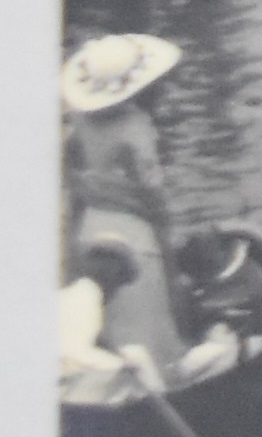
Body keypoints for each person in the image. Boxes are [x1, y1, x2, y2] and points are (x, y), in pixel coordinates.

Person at [59, 34, 191, 385]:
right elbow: (153, 194)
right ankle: (158, 380)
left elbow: (68, 175)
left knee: (103, 308)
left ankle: (105, 380)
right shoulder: (136, 127)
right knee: (145, 315)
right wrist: (166, 245)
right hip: (133, 230)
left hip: (90, 222)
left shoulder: (78, 122)